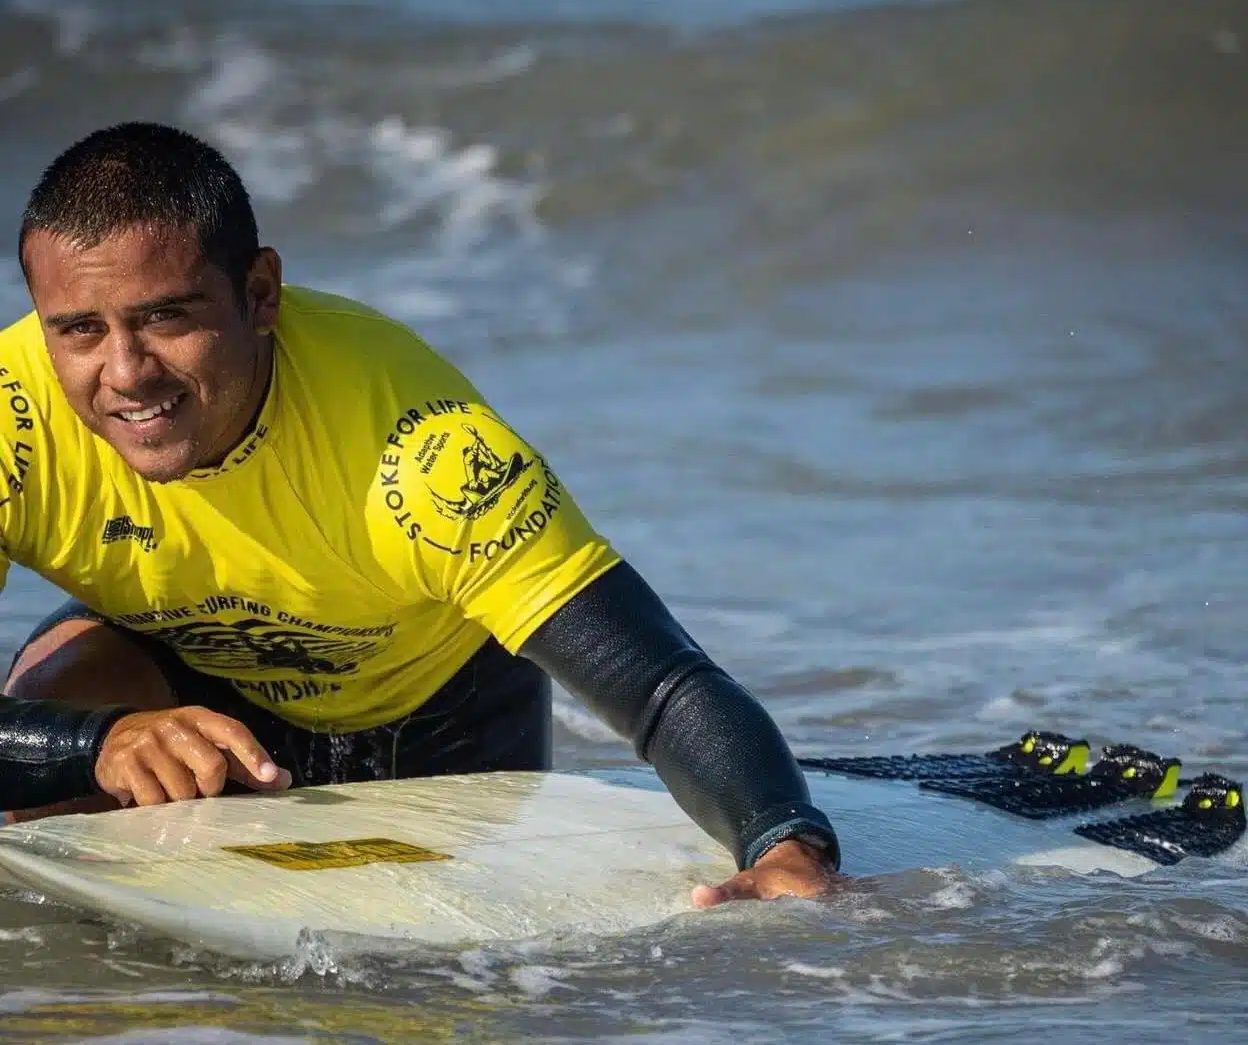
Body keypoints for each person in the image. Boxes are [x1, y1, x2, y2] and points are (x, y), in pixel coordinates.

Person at [0, 123, 840, 907]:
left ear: (260, 294)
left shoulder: (425, 455)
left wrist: (782, 838)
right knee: (75, 691)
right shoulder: (12, 420)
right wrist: (93, 744)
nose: (125, 372)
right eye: (78, 330)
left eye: (165, 318)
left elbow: (657, 685)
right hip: (199, 702)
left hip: (440, 732)